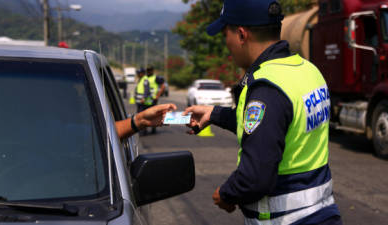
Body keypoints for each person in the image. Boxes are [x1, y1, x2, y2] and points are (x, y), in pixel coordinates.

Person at [184, 1, 342, 225]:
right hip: (323, 213)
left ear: (241, 34)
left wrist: (227, 194)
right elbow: (278, 124)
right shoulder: (308, 71)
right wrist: (215, 114)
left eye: (225, 34)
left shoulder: (267, 87)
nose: (225, 43)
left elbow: (254, 178)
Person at [146, 65, 166, 134]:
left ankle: (153, 128)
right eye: (148, 70)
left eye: (150, 70)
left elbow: (163, 86)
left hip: (153, 100)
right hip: (145, 100)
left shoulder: (156, 78)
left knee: (153, 114)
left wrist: (158, 95)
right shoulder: (145, 77)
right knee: (145, 114)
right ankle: (144, 129)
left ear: (152, 71)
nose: (149, 71)